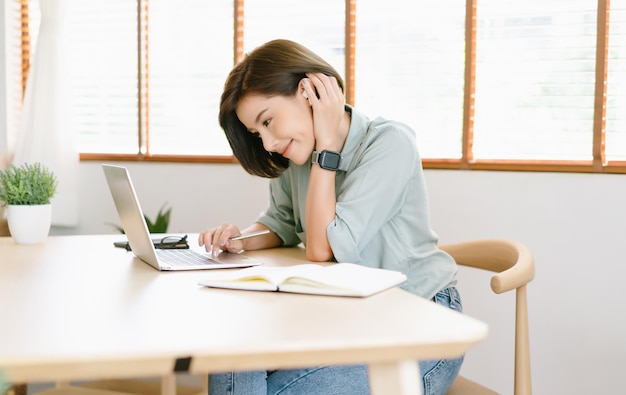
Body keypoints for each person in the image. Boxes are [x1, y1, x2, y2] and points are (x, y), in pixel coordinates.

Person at [199, 39, 463, 395]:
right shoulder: (298, 156)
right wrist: (238, 239)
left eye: (267, 121)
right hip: (348, 317)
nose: (268, 143)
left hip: (418, 321)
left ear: (310, 90)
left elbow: (324, 248)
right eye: (256, 133)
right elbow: (281, 223)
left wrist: (326, 148)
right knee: (231, 355)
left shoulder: (388, 144)